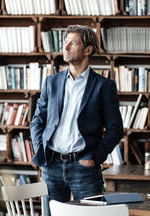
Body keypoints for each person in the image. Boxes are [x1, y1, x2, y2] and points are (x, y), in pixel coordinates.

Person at [30, 25, 124, 215]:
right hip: (52, 165)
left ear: (88, 50)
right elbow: (37, 121)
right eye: (65, 43)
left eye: (72, 43)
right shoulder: (52, 82)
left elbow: (115, 129)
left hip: (84, 167)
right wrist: (41, 150)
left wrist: (95, 157)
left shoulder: (104, 86)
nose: (65, 48)